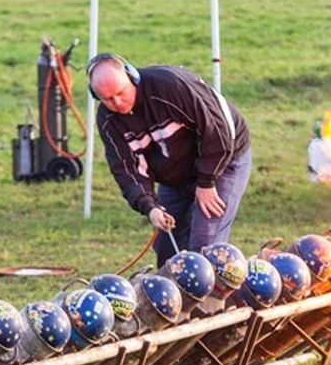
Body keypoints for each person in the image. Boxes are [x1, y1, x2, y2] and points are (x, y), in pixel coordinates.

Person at [88, 53, 252, 266]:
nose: (117, 102)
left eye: (121, 92)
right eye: (108, 99)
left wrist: (206, 182)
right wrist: (150, 207)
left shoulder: (171, 86)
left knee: (205, 247)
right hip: (176, 174)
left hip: (223, 158)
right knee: (166, 246)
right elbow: (126, 170)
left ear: (132, 76)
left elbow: (218, 130)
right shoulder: (108, 121)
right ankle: (174, 297)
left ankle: (215, 296)